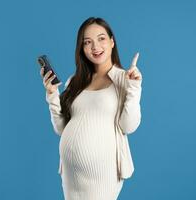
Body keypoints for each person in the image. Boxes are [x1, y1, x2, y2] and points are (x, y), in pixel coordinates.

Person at [40, 17, 142, 200]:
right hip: (70, 174)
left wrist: (134, 88)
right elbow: (61, 128)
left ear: (112, 42)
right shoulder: (75, 81)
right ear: (82, 48)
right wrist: (52, 95)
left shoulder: (124, 79)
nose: (95, 47)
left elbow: (128, 126)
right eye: (88, 42)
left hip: (102, 173)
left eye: (101, 38)